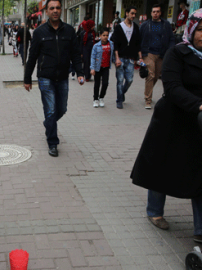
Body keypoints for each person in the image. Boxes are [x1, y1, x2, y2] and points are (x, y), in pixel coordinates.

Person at [131, 9, 202, 240]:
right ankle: (154, 211)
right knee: (162, 164)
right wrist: (199, 105)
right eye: (200, 30)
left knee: (199, 172)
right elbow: (172, 87)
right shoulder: (177, 52)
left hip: (198, 124)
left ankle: (200, 231)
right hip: (172, 119)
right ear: (191, 30)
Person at [24, 0, 84, 157]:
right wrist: (27, 79)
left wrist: (80, 73)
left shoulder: (70, 31)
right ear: (47, 11)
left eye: (58, 8)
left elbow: (76, 54)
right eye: (52, 8)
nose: (55, 10)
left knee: (62, 109)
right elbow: (32, 57)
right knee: (50, 111)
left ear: (61, 10)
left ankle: (48, 123)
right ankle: (52, 143)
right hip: (45, 77)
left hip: (63, 76)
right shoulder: (39, 32)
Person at [140, 4, 175, 109]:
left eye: (157, 11)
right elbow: (139, 39)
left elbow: (171, 39)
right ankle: (148, 100)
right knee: (150, 75)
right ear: (151, 13)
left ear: (160, 13)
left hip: (161, 53)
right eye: (154, 11)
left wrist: (169, 51)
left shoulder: (166, 24)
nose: (155, 13)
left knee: (155, 76)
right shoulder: (145, 25)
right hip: (149, 52)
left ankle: (147, 92)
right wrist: (139, 55)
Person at [110, 6, 143, 109]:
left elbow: (138, 44)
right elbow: (115, 44)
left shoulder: (136, 27)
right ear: (127, 13)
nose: (134, 16)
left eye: (135, 14)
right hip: (120, 57)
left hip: (130, 59)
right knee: (120, 80)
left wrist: (140, 58)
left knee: (129, 80)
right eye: (132, 13)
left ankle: (122, 93)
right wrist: (117, 58)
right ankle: (119, 100)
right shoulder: (119, 27)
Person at [90, 28, 114, 108]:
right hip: (97, 67)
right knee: (97, 84)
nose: (105, 37)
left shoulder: (111, 44)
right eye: (103, 35)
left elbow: (113, 55)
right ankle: (95, 99)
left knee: (105, 83)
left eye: (107, 35)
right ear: (100, 36)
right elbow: (93, 57)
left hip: (106, 67)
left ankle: (101, 97)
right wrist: (92, 68)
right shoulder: (96, 46)